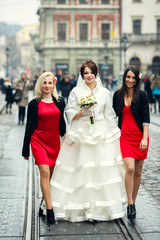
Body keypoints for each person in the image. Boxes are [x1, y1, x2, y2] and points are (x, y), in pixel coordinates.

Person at [50, 60, 126, 222]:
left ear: (96, 74)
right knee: (81, 171)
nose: (89, 76)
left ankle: (101, 209)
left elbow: (110, 115)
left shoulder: (105, 92)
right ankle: (83, 209)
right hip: (81, 134)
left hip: (100, 133)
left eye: (91, 72)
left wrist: (111, 134)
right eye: (86, 73)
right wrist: (82, 112)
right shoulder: (76, 92)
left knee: (100, 172)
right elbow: (69, 113)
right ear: (82, 75)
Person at [22, 72, 66, 224]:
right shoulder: (34, 103)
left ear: (54, 85)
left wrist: (69, 139)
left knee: (51, 178)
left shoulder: (60, 101)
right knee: (45, 172)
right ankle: (49, 209)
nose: (47, 86)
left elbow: (62, 124)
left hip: (54, 142)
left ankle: (42, 203)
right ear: (40, 84)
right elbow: (29, 126)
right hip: (38, 141)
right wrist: (25, 149)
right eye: (44, 83)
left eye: (50, 83)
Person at [113, 65, 150, 220]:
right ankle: (129, 202)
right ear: (124, 78)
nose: (130, 80)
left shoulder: (142, 95)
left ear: (137, 79)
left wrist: (144, 138)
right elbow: (112, 115)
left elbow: (146, 118)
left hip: (140, 136)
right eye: (128, 77)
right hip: (125, 137)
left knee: (138, 171)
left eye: (133, 78)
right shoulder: (117, 95)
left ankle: (133, 202)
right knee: (129, 168)